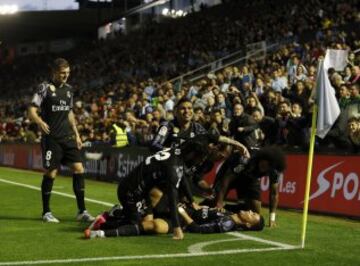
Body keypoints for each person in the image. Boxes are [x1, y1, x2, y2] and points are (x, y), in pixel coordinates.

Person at [28, 58, 94, 223]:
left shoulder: (69, 90)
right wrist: (40, 121)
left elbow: (69, 113)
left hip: (68, 138)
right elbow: (31, 110)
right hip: (52, 138)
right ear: (54, 72)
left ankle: (82, 211)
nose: (66, 76)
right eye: (63, 73)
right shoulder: (43, 88)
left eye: (68, 73)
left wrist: (77, 134)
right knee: (51, 172)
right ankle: (46, 212)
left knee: (79, 169)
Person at [212, 146, 286, 228]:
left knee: (255, 213)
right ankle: (211, 205)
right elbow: (227, 179)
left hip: (250, 178)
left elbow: (274, 194)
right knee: (213, 206)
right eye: (264, 164)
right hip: (230, 174)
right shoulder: (245, 159)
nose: (264, 167)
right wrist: (219, 202)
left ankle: (229, 209)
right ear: (262, 158)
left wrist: (272, 218)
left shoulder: (274, 171)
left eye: (268, 167)